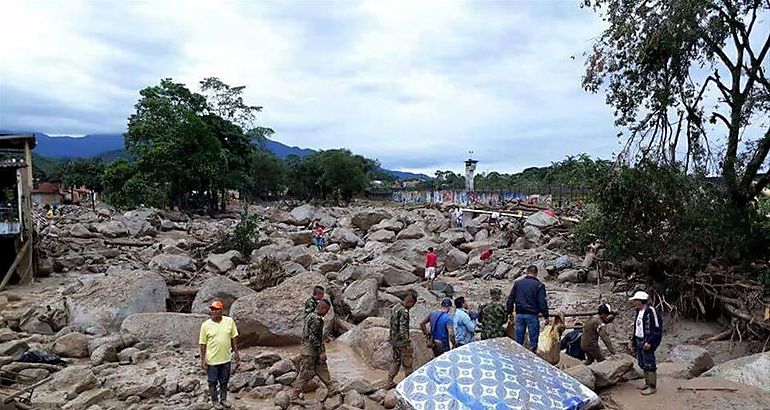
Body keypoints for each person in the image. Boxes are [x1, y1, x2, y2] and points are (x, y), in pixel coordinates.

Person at [199, 300, 240, 409]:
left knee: (224, 380)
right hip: (212, 360)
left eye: (216, 309)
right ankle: (215, 400)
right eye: (212, 309)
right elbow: (202, 344)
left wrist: (236, 352)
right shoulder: (205, 325)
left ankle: (223, 399)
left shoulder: (229, 321)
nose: (214, 311)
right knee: (212, 382)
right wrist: (202, 360)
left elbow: (234, 337)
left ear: (222, 310)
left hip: (226, 358)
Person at [294, 299, 338, 394]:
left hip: (311, 350)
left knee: (322, 367)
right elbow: (312, 337)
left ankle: (331, 388)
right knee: (305, 373)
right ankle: (295, 396)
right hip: (310, 351)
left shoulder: (310, 316)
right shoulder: (316, 319)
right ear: (322, 308)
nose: (326, 313)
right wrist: (321, 351)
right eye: (326, 311)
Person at [506, 265, 549, 351]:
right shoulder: (539, 285)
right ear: (536, 273)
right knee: (533, 341)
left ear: (526, 272)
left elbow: (511, 298)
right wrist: (546, 316)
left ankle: (519, 358)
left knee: (519, 340)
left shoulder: (518, 283)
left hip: (519, 314)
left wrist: (509, 312)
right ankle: (532, 358)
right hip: (532, 315)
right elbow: (542, 302)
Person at [629, 291, 662, 396]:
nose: (634, 302)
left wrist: (650, 341)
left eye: (635, 300)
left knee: (649, 362)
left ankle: (652, 386)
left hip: (647, 340)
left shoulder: (651, 311)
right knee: (642, 362)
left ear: (640, 301)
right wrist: (633, 341)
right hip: (639, 339)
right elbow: (637, 327)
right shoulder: (638, 311)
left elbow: (657, 329)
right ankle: (647, 383)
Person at [386, 292, 417, 389]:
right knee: (407, 362)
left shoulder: (396, 307)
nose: (412, 307)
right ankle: (409, 384)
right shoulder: (404, 312)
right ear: (410, 302)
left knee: (395, 360)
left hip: (393, 339)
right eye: (412, 305)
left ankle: (389, 382)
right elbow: (403, 329)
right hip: (402, 342)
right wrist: (408, 343)